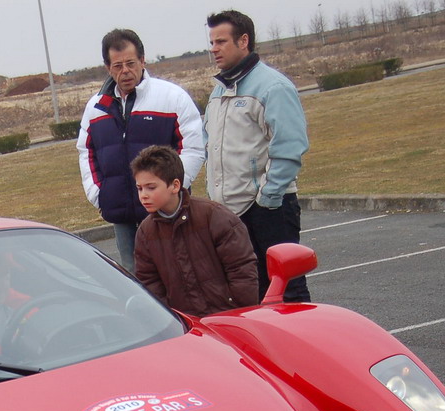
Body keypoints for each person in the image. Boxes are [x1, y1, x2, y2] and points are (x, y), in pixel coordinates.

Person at [203, 10, 311, 302]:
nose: (214, 49)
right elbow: (210, 146)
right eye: (211, 42)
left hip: (269, 209)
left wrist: (267, 199)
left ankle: (299, 334)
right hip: (231, 213)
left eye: (221, 41)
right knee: (253, 293)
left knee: (287, 290)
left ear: (243, 41)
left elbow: (290, 146)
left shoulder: (273, 87)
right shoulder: (218, 92)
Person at [77, 28, 206, 274]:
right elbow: (87, 152)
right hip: (121, 213)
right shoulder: (96, 107)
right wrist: (99, 194)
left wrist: (172, 190)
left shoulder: (172, 97)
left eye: (130, 63)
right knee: (133, 277)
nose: (125, 71)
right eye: (117, 66)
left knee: (178, 272)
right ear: (108, 68)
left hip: (167, 211)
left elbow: (192, 148)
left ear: (143, 61)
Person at [131, 145, 257, 316]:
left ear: (175, 185)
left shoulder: (214, 216)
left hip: (228, 316)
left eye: (151, 187)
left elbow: (241, 269)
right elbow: (149, 282)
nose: (143, 195)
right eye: (139, 188)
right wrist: (171, 318)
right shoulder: (146, 233)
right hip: (185, 325)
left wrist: (239, 310)